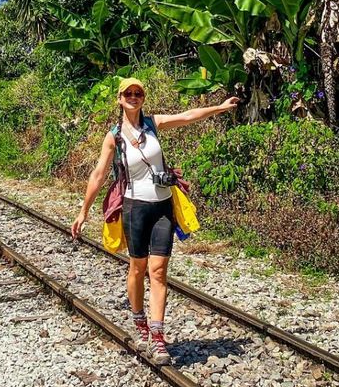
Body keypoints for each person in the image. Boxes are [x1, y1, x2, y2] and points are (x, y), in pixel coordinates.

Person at [71, 77, 240, 362]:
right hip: (135, 208)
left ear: (143, 98)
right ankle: (140, 325)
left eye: (138, 93)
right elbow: (98, 174)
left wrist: (220, 108)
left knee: (158, 271)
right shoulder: (113, 136)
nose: (133, 97)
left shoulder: (153, 123)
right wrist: (83, 210)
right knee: (138, 269)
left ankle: (158, 338)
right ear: (119, 98)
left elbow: (187, 117)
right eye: (128, 93)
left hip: (163, 206)